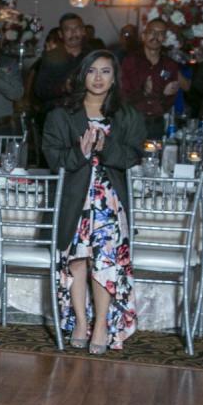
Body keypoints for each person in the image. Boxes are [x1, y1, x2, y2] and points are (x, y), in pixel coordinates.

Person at [42, 49, 142, 354]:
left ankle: (100, 325)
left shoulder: (127, 115)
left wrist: (105, 146)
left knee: (104, 262)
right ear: (82, 75)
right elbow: (53, 157)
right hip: (75, 200)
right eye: (92, 71)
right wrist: (81, 152)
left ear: (114, 79)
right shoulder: (61, 114)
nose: (98, 78)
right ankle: (81, 323)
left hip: (109, 202)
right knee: (77, 260)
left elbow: (133, 155)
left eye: (105, 72)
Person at [119, 18, 183, 139]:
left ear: (164, 38)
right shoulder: (130, 61)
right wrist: (143, 91)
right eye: (152, 32)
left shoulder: (170, 65)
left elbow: (170, 98)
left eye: (160, 33)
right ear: (143, 36)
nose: (156, 36)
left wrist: (163, 96)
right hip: (132, 122)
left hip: (156, 123)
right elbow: (122, 93)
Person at [33, 13, 87, 122]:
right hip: (57, 116)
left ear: (83, 31)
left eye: (77, 28)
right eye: (68, 30)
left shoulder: (92, 57)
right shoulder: (50, 57)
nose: (73, 33)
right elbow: (40, 91)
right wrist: (63, 88)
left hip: (85, 115)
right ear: (61, 34)